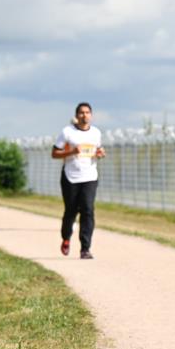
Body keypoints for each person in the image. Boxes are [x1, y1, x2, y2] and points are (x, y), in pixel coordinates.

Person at [52, 102, 105, 259]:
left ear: (91, 115)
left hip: (90, 176)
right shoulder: (67, 132)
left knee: (88, 210)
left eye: (87, 112)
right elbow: (54, 153)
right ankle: (66, 237)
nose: (84, 115)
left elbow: (97, 151)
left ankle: (85, 248)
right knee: (71, 211)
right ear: (76, 115)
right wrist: (71, 152)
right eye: (81, 112)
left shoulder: (96, 133)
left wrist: (100, 153)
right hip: (71, 177)